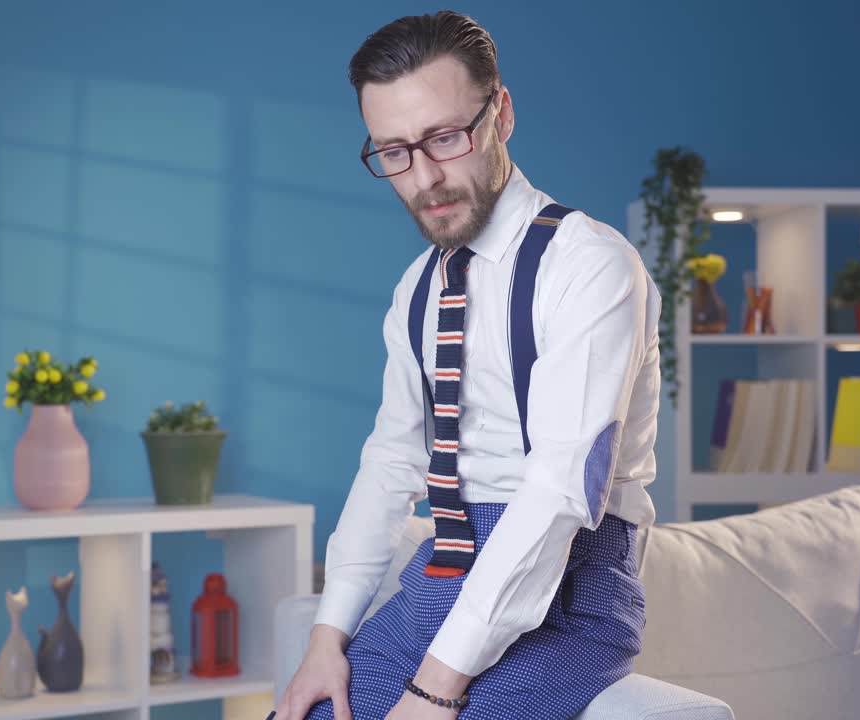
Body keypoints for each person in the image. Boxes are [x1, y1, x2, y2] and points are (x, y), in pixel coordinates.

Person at [274, 10, 661, 720]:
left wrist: (434, 688)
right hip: (444, 575)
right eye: (394, 152)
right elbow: (391, 462)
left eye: (445, 138)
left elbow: (554, 493)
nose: (424, 179)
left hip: (573, 595)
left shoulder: (592, 267)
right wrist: (324, 641)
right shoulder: (417, 287)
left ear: (500, 114)